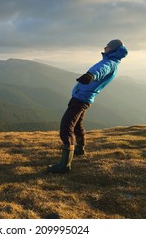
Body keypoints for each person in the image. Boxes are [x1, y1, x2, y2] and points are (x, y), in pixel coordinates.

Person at [47, 39, 128, 174]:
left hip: (81, 99)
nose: (105, 47)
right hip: (85, 98)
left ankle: (64, 165)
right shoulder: (113, 61)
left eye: (107, 46)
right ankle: (80, 149)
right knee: (77, 124)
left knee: (66, 128)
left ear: (112, 49)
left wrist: (91, 75)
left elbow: (102, 70)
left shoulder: (110, 62)